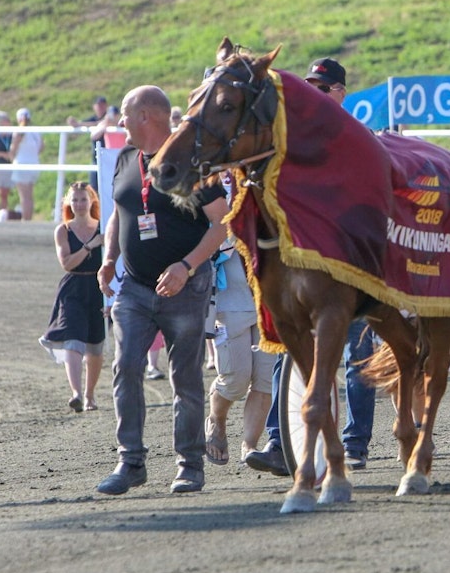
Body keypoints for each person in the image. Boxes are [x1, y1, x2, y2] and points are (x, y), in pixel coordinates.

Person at [245, 57, 379, 473]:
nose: (314, 96)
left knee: (358, 359)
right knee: (290, 353)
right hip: (304, 266)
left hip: (353, 266)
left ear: (341, 94)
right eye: (309, 89)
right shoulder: (291, 141)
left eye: (323, 89)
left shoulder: (360, 139)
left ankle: (355, 443)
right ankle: (280, 441)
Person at [95, 85, 227, 496]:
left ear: (148, 117)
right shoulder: (125, 158)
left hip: (184, 288)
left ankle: (189, 465)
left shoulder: (192, 162)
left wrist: (186, 267)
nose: (120, 122)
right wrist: (110, 257)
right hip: (133, 286)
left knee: (184, 377)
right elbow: (121, 210)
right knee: (126, 367)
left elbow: (223, 223)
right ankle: (130, 461)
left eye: (126, 115)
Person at [204, 173, 273, 467]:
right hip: (231, 300)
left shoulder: (267, 178)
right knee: (235, 380)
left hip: (270, 301)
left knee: (266, 381)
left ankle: (250, 446)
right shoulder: (212, 185)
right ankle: (216, 419)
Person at [39, 181, 106, 413]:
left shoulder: (103, 227)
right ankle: (76, 393)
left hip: (98, 287)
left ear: (92, 202)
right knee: (73, 339)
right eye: (74, 200)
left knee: (95, 347)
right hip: (73, 288)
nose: (78, 204)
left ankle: (89, 395)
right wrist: (89, 246)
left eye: (83, 199)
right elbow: (67, 263)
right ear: (68, 202)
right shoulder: (63, 230)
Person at [9, 108, 42, 221]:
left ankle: (25, 220)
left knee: (24, 196)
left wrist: (12, 157)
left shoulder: (19, 131)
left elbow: (13, 148)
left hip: (22, 164)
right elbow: (41, 147)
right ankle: (28, 218)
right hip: (34, 164)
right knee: (29, 195)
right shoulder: (35, 131)